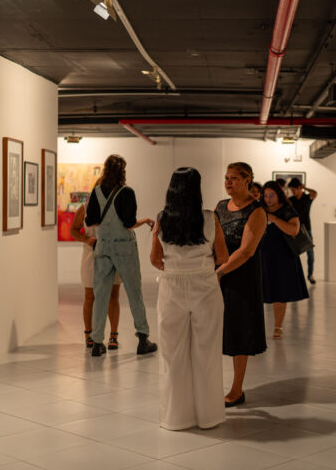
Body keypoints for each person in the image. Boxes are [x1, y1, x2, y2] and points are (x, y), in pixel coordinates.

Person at [150, 167, 230, 430]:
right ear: (197, 189)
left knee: (172, 355)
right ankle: (208, 417)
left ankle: (177, 418)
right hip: (205, 286)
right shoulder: (210, 218)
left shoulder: (162, 219)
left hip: (172, 288)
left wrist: (175, 265)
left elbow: (155, 259)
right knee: (207, 353)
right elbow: (223, 257)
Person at [84, 154, 157, 357]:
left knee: (101, 296)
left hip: (103, 247)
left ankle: (97, 342)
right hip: (124, 248)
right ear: (122, 171)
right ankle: (143, 338)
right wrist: (143, 221)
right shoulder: (127, 192)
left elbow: (90, 221)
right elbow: (129, 222)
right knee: (134, 293)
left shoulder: (96, 192)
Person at [215, 162, 267, 407]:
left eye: (233, 178)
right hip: (219, 274)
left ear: (247, 180)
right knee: (216, 330)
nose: (228, 182)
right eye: (226, 178)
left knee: (239, 332)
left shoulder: (256, 211)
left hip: (241, 278)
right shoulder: (220, 206)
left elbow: (246, 251)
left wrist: (220, 271)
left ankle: (237, 389)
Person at [260, 181, 309, 339]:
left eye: (271, 195)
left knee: (280, 293)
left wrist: (274, 219)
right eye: (265, 196)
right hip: (263, 256)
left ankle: (278, 327)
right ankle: (258, 328)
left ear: (278, 195)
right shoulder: (260, 210)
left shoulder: (287, 209)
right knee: (260, 291)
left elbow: (293, 230)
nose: (268, 199)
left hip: (283, 257)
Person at [70, 202, 121, 349]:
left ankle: (113, 335)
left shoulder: (117, 204)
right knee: (90, 296)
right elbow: (73, 230)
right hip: (91, 256)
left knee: (113, 296)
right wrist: (85, 239)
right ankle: (89, 334)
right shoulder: (85, 207)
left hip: (113, 254)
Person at [287, 178, 317, 284]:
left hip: (307, 228)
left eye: (293, 189)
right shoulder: (291, 200)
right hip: (295, 228)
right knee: (294, 254)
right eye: (291, 190)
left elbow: (315, 193)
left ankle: (310, 274)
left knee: (311, 254)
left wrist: (305, 188)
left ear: (299, 188)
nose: (292, 192)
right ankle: (294, 276)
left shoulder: (307, 197)